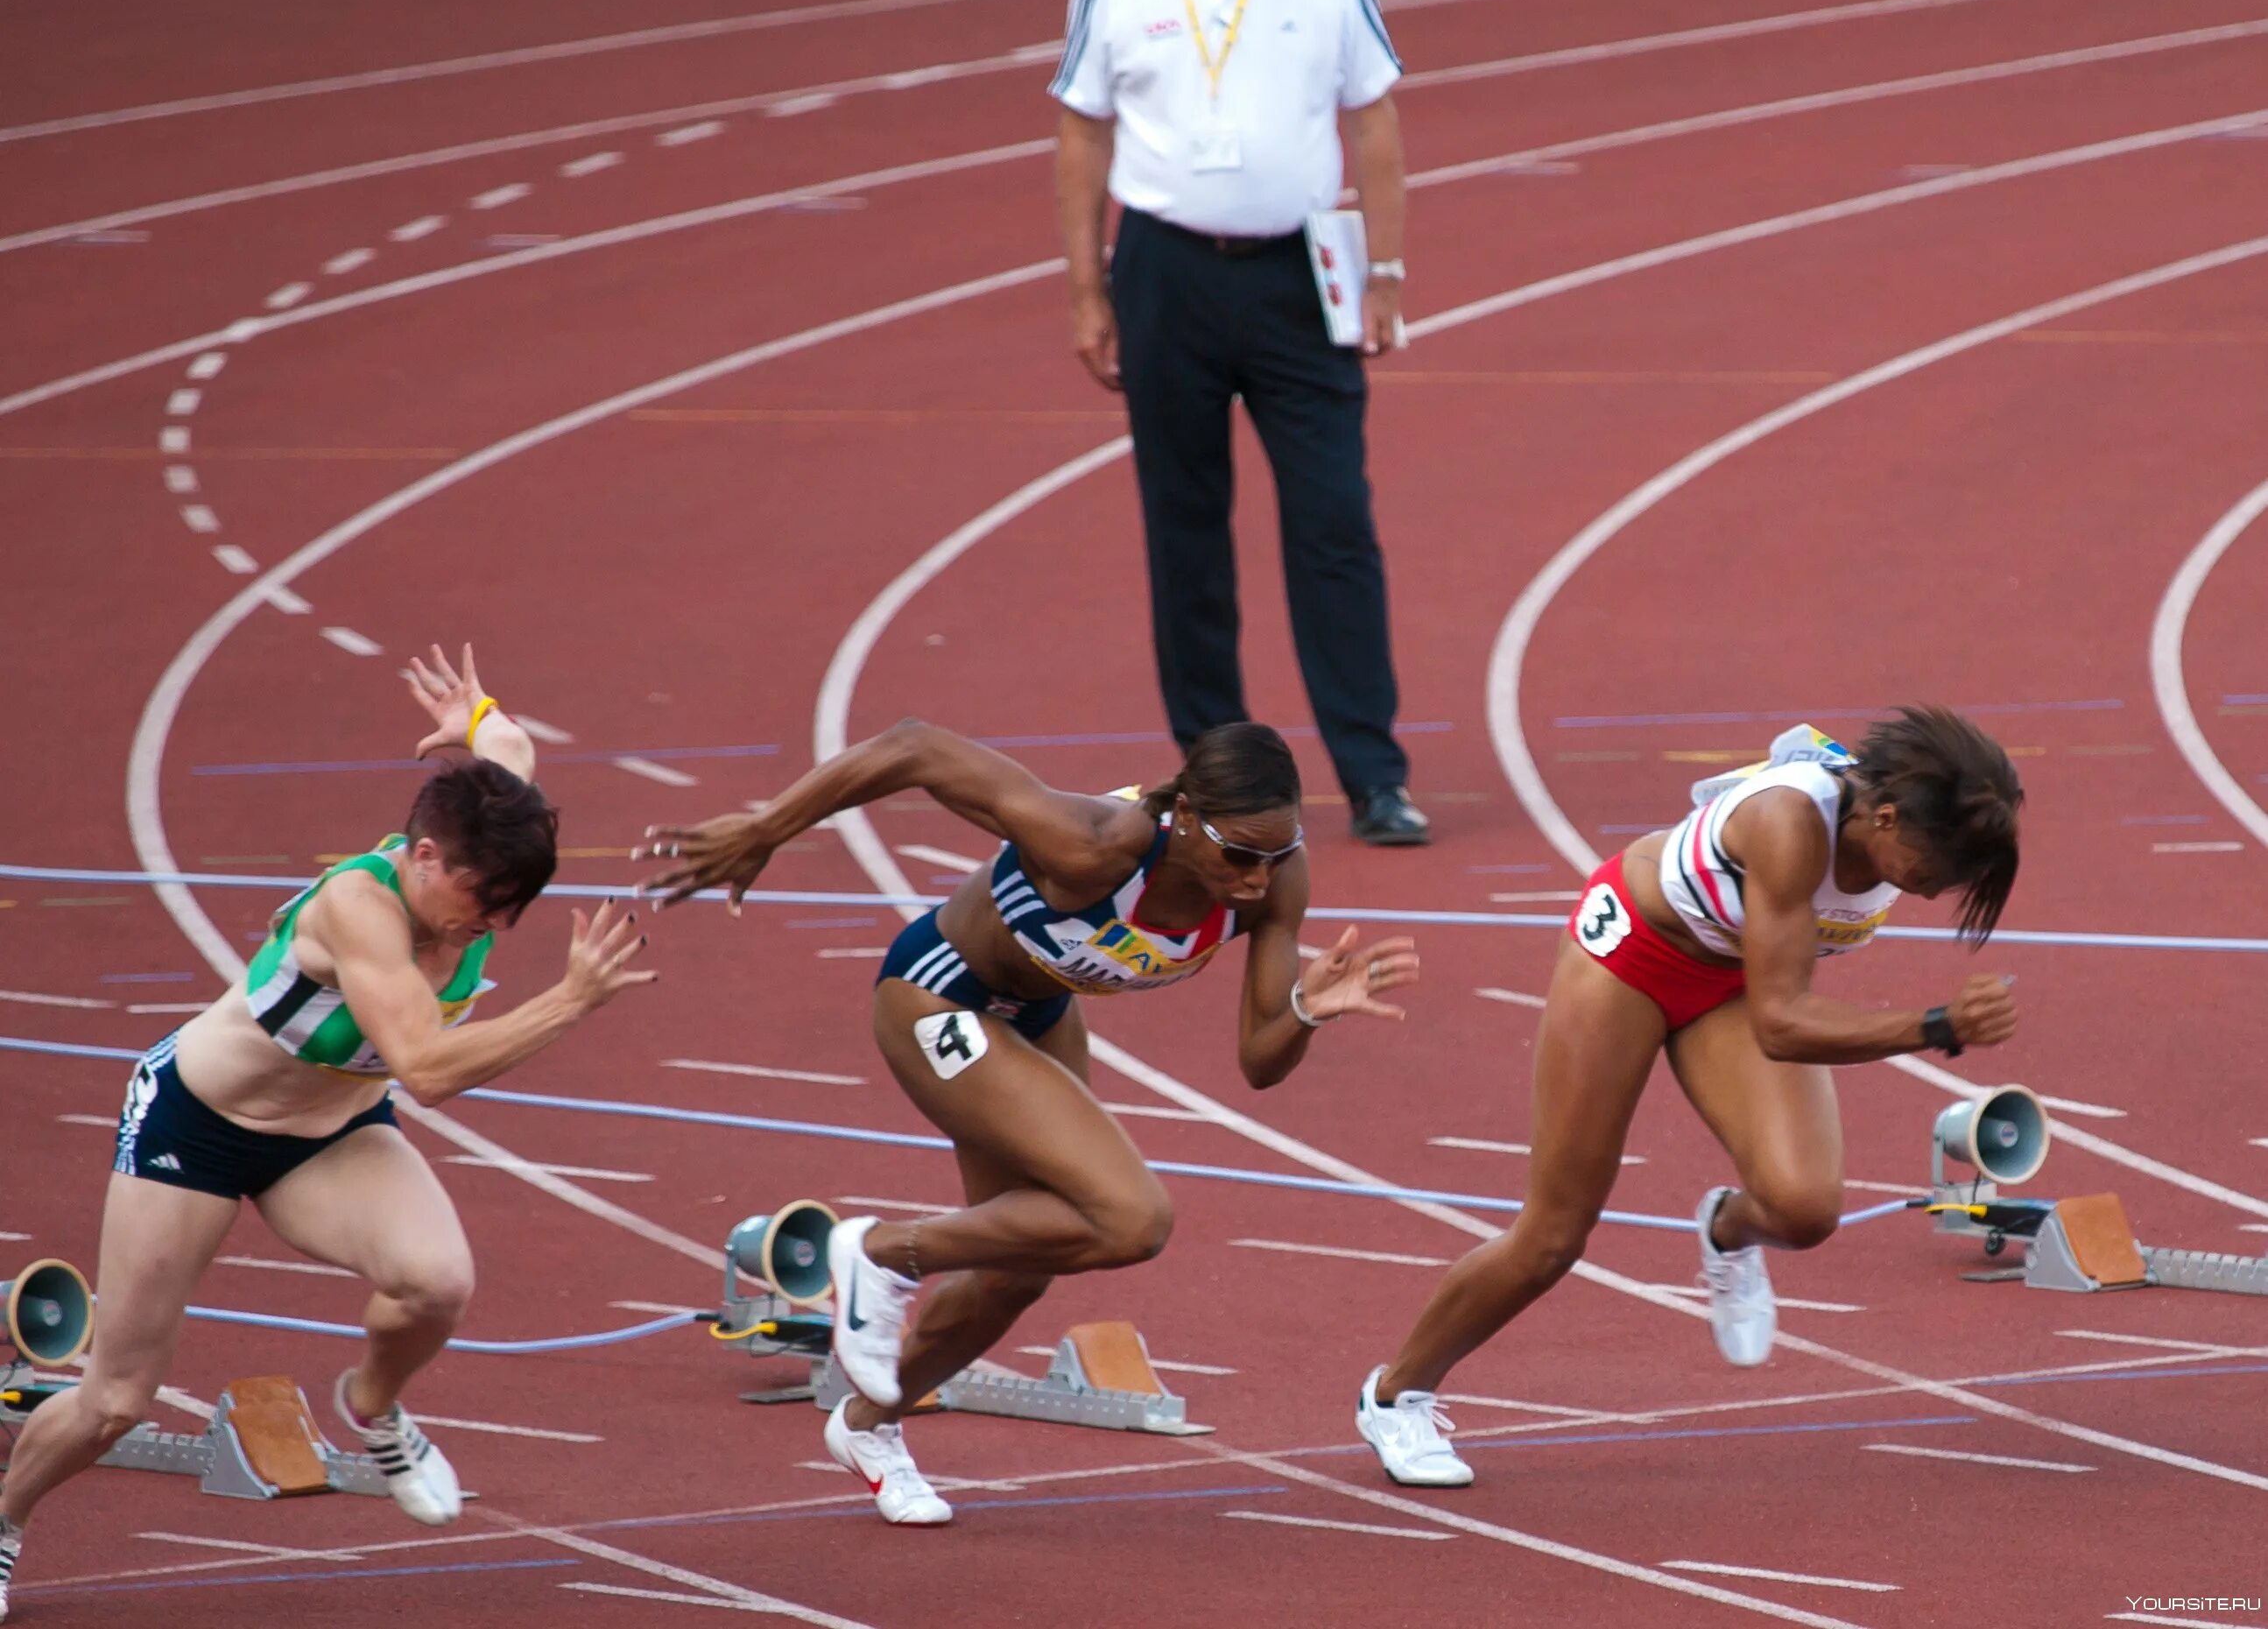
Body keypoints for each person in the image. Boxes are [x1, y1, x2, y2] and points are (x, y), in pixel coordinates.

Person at [0, 647, 653, 1620]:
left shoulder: (487, 837)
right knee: (117, 1402)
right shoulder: (360, 907)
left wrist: (476, 715)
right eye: (483, 905)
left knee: (437, 1284)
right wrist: (570, 1000)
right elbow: (428, 1070)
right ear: (425, 857)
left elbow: (507, 745)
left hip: (331, 1135)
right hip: (197, 1129)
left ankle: (375, 1406)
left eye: (513, 910)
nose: (495, 926)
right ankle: (7, 1521)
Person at [637, 718, 1417, 1525]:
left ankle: (868, 1424)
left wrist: (1305, 1009)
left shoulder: (1276, 881)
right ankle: (876, 1251)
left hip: (1036, 1015)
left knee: (1019, 1266)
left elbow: (1261, 1061)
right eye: (1239, 854)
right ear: (1184, 814)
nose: (1256, 879)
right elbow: (914, 747)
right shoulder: (1095, 841)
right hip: (940, 996)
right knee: (1132, 1215)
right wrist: (767, 830)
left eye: (1276, 854)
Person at [1354, 709, 2023, 1487]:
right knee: (1551, 1238)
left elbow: (1775, 995)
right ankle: (1396, 1394)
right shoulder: (1790, 825)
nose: (1936, 889)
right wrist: (1936, 1024)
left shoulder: (1890, 821)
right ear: (1883, 815)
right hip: (1632, 959)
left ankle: (1727, 1227)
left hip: (1731, 981)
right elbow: (1781, 1024)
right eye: (1934, 869)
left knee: (1805, 1209)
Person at [1051, 0, 1429, 848]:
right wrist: (1088, 290)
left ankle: (1373, 774)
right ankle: (1218, 777)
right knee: (1185, 530)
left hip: (1297, 277)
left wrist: (1388, 273)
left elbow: (1376, 116)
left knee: (1333, 523)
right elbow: (1081, 133)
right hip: (1164, 270)